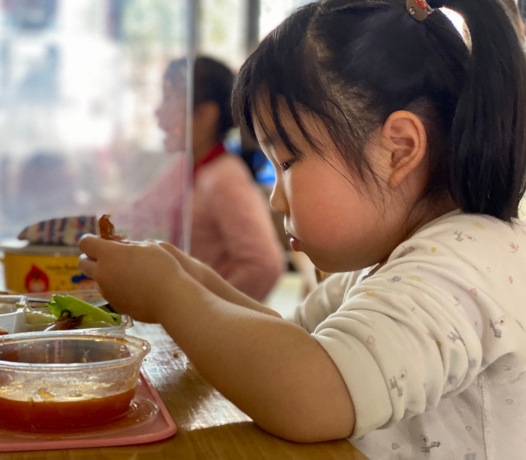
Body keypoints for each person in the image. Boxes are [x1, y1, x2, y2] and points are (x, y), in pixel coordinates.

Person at [78, 0, 526, 458]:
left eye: (287, 161)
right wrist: (189, 276)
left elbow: (312, 391)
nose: (276, 197)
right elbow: (293, 346)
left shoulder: (461, 266)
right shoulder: (393, 262)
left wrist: (170, 295)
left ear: (399, 150)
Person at [121, 56, 285, 301]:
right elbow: (139, 215)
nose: (158, 112)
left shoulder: (225, 177)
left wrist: (208, 309)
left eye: (169, 99)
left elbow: (265, 265)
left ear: (205, 115)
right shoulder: (184, 167)